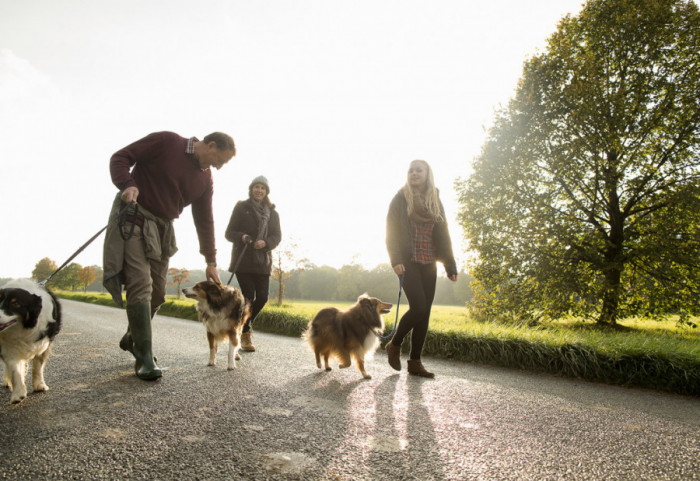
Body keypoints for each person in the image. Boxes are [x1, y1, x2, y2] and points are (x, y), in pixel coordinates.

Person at [103, 131, 236, 380]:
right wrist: (128, 184)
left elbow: (204, 219)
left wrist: (210, 260)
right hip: (134, 217)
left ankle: (133, 338)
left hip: (163, 229)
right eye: (220, 160)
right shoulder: (167, 142)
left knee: (158, 294)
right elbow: (120, 157)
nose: (218, 167)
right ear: (210, 144)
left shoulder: (205, 179)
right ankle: (144, 357)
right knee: (140, 284)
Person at [385, 159, 458, 378]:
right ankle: (394, 344)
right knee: (418, 307)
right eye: (411, 171)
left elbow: (443, 234)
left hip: (429, 262)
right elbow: (391, 231)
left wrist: (450, 264)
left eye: (419, 170)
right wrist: (395, 259)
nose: (414, 173)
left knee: (425, 313)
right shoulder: (400, 199)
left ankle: (415, 362)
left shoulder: (435, 200)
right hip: (407, 261)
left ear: (427, 174)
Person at [225, 175, 281, 352]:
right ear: (251, 189)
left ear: (266, 192)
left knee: (263, 296)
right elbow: (229, 232)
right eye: (256, 187)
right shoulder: (241, 208)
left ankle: (242, 322)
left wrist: (266, 243)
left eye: (262, 188)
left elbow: (277, 236)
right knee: (248, 296)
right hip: (244, 260)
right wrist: (242, 236)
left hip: (263, 261)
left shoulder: (273, 213)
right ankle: (246, 334)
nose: (259, 190)